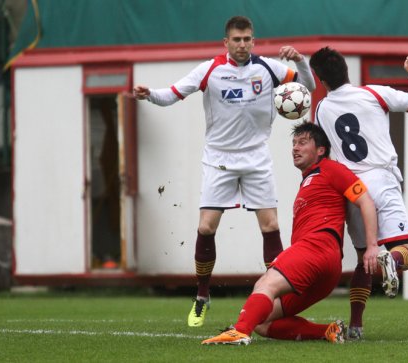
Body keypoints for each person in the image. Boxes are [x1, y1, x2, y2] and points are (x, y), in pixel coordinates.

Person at [133, 16, 316, 328]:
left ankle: (279, 298)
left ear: (253, 41)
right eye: (237, 39)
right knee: (206, 227)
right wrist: (149, 93)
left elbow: (308, 87)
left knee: (270, 225)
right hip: (219, 159)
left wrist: (301, 62)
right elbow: (174, 93)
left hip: (257, 158)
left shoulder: (270, 69)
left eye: (247, 39)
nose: (242, 44)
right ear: (226, 42)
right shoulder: (210, 70)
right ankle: (203, 296)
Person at [201, 122, 378, 345]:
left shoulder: (331, 168)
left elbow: (366, 201)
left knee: (265, 285)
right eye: (293, 143)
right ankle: (328, 331)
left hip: (316, 247)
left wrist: (372, 246)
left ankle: (239, 332)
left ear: (321, 150)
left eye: (303, 143)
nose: (295, 148)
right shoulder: (310, 179)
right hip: (328, 268)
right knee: (262, 323)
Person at [309, 47, 408, 340]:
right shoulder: (374, 93)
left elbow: (321, 151)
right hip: (381, 179)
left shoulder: (321, 109)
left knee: (364, 259)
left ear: (322, 80)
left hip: (352, 190)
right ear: (346, 70)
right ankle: (393, 261)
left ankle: (356, 327)